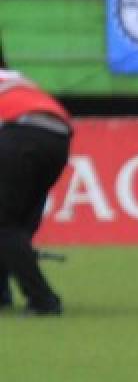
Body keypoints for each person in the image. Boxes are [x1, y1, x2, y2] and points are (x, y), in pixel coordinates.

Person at [0, 66, 71, 316]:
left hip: (19, 132)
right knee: (18, 223)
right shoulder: (13, 76)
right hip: (59, 137)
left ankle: (43, 300)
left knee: (5, 226)